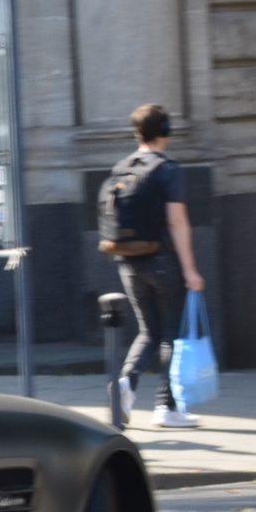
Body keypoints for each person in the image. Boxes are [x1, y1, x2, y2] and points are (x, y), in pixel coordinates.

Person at [102, 103, 205, 430]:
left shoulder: (122, 166)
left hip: (128, 262)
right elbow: (177, 221)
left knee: (148, 331)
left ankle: (125, 385)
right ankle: (167, 407)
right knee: (170, 335)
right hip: (162, 261)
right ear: (165, 132)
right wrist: (190, 270)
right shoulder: (167, 169)